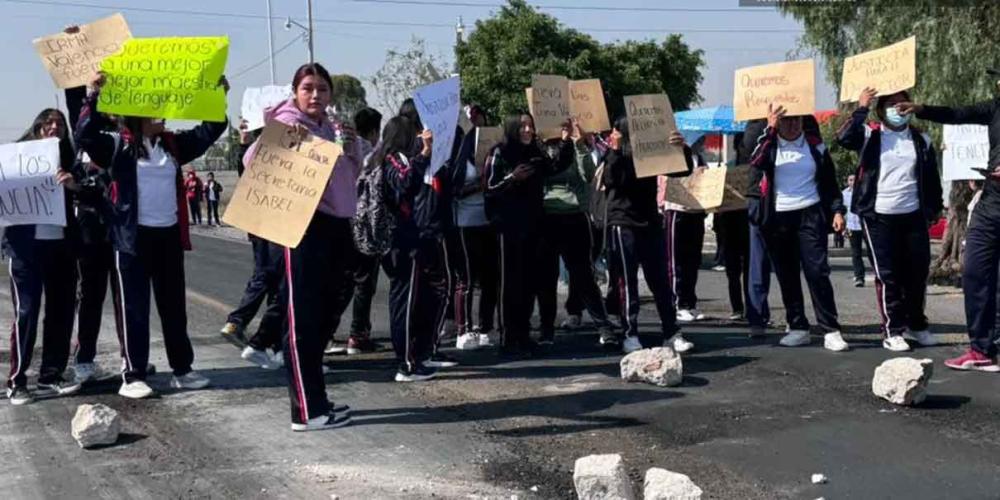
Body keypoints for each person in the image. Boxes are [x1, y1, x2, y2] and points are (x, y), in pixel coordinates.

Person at [76, 72, 225, 398]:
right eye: (154, 106)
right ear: (137, 113)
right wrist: (92, 96)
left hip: (168, 237)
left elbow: (210, 130)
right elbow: (85, 136)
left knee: (174, 307)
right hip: (131, 240)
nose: (162, 111)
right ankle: (133, 374)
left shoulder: (171, 145)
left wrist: (216, 95)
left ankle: (182, 369)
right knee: (134, 308)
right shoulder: (117, 146)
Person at [242, 63, 359, 430]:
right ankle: (306, 412)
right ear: (295, 91)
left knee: (323, 317)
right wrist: (279, 139)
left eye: (322, 89)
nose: (315, 95)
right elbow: (250, 162)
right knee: (303, 320)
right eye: (308, 88)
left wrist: (351, 146)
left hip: (334, 228)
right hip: (301, 229)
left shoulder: (329, 127)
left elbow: (349, 175)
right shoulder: (287, 122)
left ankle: (318, 401)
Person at [897, 81, 1000, 371]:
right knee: (975, 272)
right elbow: (956, 114)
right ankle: (981, 350)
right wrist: (921, 109)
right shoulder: (995, 108)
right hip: (992, 201)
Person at [837, 87, 942, 352]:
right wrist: (861, 107)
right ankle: (893, 330)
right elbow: (844, 138)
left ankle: (917, 324)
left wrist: (934, 208)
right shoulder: (870, 135)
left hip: (913, 215)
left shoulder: (921, 140)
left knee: (917, 274)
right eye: (892, 104)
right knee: (888, 275)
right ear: (881, 110)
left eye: (903, 103)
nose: (898, 109)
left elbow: (931, 179)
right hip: (878, 216)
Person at [748, 105, 848, 352]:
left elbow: (829, 181)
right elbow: (756, 162)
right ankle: (798, 326)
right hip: (778, 216)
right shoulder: (769, 145)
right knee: (787, 274)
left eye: (797, 119)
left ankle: (830, 329)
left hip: (810, 213)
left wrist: (837, 210)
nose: (792, 125)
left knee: (817, 272)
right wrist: (770, 129)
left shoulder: (815, 146)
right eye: (787, 120)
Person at [4, 108, 82, 404]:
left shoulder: (70, 161)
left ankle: (51, 375)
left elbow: (89, 191)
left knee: (61, 312)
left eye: (60, 123)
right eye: (48, 122)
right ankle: (17, 381)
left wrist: (73, 185)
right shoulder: (15, 158)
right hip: (25, 250)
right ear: (37, 127)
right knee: (27, 312)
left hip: (61, 247)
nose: (54, 127)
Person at [484, 114, 575, 356]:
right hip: (507, 227)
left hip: (533, 225)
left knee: (528, 283)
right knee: (509, 284)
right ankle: (508, 336)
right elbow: (489, 189)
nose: (527, 130)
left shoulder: (535, 151)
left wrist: (566, 142)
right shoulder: (499, 153)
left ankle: (523, 335)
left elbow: (554, 167)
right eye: (523, 126)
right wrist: (512, 178)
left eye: (531, 126)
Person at [603, 117, 694, 353]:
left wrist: (680, 148)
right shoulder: (617, 154)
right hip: (623, 221)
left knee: (661, 281)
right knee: (627, 282)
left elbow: (682, 170)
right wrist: (615, 150)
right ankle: (629, 333)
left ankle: (671, 332)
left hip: (650, 221)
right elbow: (611, 180)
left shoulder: (653, 153)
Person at [377, 118, 449, 380]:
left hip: (406, 237)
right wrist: (424, 155)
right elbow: (403, 183)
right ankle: (406, 363)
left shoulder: (390, 158)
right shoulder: (393, 159)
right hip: (400, 241)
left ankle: (415, 356)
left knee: (414, 299)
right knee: (404, 302)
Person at [535, 119, 613, 345]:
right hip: (546, 220)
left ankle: (603, 327)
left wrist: (578, 144)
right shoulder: (538, 150)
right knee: (546, 278)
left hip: (574, 217)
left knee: (583, 275)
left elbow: (588, 174)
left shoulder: (575, 147)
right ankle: (546, 329)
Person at [220, 120, 285, 370]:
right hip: (275, 224)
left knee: (268, 278)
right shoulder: (275, 152)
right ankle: (259, 338)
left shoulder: (251, 153)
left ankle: (267, 341)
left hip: (258, 224)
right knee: (277, 283)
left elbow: (242, 168)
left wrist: (244, 143)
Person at [452, 106, 499, 350]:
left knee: (490, 278)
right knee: (467, 279)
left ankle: (484, 327)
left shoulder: (493, 156)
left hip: (489, 221)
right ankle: (463, 329)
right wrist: (479, 185)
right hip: (466, 223)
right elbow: (454, 190)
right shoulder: (461, 157)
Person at [338, 106, 383, 355]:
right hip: (367, 224)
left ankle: (328, 331)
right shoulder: (373, 152)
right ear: (375, 130)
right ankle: (358, 335)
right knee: (365, 281)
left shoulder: (347, 148)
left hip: (345, 220)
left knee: (346, 281)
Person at [659, 149, 709, 330]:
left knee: (693, 259)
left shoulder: (699, 156)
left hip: (695, 211)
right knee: (675, 260)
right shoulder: (673, 154)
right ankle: (677, 302)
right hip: (676, 209)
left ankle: (690, 301)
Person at [841, 174, 868, 287]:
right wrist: (844, 228)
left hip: (865, 226)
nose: (853, 182)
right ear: (848, 182)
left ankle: (879, 274)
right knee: (856, 253)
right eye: (850, 180)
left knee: (873, 251)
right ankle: (859, 277)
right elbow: (843, 212)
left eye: (855, 180)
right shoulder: (844, 194)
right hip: (852, 226)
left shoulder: (864, 191)